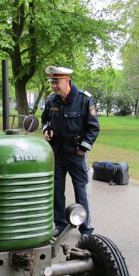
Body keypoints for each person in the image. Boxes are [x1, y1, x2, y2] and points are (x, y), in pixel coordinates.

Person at [41, 66, 100, 239]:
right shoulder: (52, 100)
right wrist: (46, 129)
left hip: (75, 152)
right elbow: (45, 119)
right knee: (56, 189)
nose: (53, 86)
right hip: (57, 151)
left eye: (56, 82)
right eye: (51, 82)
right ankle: (60, 223)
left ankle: (85, 228)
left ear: (67, 80)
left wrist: (83, 148)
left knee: (80, 189)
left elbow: (93, 127)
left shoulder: (84, 100)